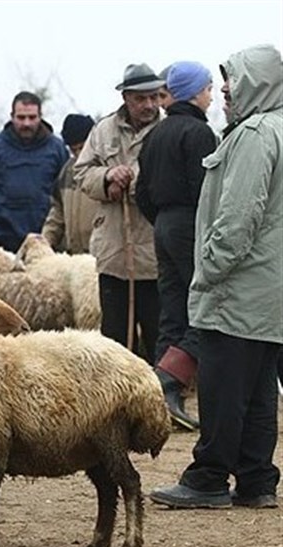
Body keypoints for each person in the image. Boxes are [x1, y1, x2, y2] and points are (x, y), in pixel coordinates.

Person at [150, 44, 282, 510]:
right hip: (269, 290)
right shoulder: (279, 130)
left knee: (223, 385)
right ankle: (257, 480)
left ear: (255, 83)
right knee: (261, 388)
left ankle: (207, 477)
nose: (225, 90)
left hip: (237, 287)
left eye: (233, 82)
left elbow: (238, 217)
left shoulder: (254, 135)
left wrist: (209, 270)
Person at [135, 61, 218, 431]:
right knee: (204, 307)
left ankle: (156, 396)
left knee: (172, 311)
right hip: (191, 224)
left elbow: (142, 193)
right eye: (208, 89)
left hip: (163, 225)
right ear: (194, 92)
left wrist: (163, 221)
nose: (211, 95)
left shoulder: (157, 133)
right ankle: (171, 380)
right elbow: (207, 192)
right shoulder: (198, 133)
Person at [73, 63, 164, 362]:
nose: (149, 104)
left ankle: (161, 399)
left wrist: (130, 182)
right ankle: (117, 402)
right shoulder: (103, 130)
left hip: (154, 255)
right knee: (114, 338)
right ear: (126, 98)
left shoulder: (167, 130)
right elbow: (82, 173)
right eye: (141, 98)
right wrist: (107, 177)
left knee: (157, 335)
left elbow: (170, 181)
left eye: (154, 97)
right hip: (113, 253)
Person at [0, 91, 68, 251]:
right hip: (0, 240)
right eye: (21, 117)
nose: (26, 123)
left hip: (45, 240)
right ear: (12, 116)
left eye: (32, 117)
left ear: (40, 116)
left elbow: (65, 193)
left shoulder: (57, 149)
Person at [41, 114, 97, 254]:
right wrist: (45, 241)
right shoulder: (67, 171)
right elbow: (57, 212)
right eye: (74, 149)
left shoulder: (108, 168)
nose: (79, 154)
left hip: (101, 255)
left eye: (82, 148)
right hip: (73, 256)